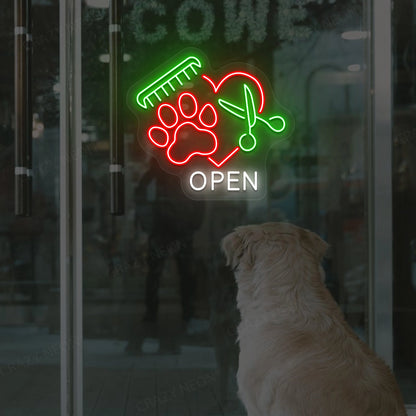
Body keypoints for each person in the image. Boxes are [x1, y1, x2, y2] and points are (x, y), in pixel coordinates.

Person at [135, 157, 204, 323]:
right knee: (181, 274)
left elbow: (141, 197)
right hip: (170, 229)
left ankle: (158, 314)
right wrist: (193, 224)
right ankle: (186, 313)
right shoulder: (180, 171)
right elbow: (199, 199)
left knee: (163, 274)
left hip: (168, 229)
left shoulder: (156, 174)